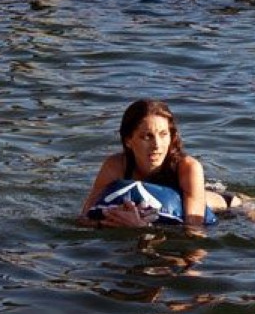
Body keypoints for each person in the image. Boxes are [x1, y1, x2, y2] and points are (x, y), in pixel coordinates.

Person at [79, 97, 221, 228]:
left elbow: (194, 231)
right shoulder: (116, 165)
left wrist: (141, 229)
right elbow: (83, 218)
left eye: (163, 134)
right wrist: (108, 223)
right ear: (128, 140)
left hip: (221, 206)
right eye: (147, 136)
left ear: (172, 137)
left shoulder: (188, 167)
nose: (157, 145)